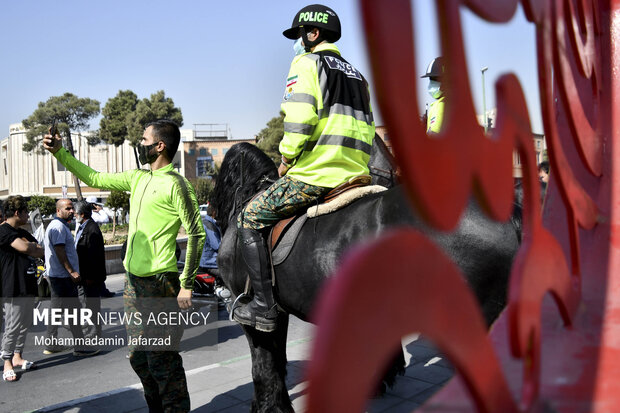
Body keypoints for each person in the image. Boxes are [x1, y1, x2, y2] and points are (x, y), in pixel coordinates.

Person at [43, 119, 205, 413]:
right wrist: (60, 153)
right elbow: (95, 176)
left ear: (160, 146)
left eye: (144, 140)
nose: (139, 144)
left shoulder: (178, 185)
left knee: (162, 361)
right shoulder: (138, 178)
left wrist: (187, 284)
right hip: (133, 283)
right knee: (138, 358)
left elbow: (196, 234)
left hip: (161, 284)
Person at [232, 4, 375, 332]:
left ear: (313, 34)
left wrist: (285, 161)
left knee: (248, 217)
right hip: (356, 175)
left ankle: (263, 307)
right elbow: (368, 129)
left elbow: (299, 120)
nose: (296, 42)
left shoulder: (306, 63)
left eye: (299, 35)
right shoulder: (358, 76)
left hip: (315, 176)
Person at [43, 199, 97, 356]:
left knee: (63, 312)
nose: (72, 211)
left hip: (60, 277)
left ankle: (52, 343)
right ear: (59, 211)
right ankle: (80, 347)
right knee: (71, 313)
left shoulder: (58, 226)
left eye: (72, 208)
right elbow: (60, 251)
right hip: (62, 278)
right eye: (68, 208)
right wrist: (71, 271)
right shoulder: (58, 227)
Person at [0, 196, 44, 381]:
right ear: (17, 212)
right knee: (12, 325)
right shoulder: (4, 231)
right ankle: (7, 362)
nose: (28, 215)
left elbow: (40, 249)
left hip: (27, 284)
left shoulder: (20, 231)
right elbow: (25, 248)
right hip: (12, 286)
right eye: (26, 212)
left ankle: (17, 356)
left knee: (25, 323)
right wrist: (30, 247)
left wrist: (31, 246)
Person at [74, 200, 106, 339]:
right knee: (86, 305)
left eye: (75, 213)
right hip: (84, 275)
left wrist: (90, 277)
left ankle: (94, 332)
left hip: (90, 277)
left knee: (92, 305)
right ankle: (88, 330)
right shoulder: (83, 227)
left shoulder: (91, 229)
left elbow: (94, 256)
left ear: (82, 214)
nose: (74, 215)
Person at [421, 56, 446, 134]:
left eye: (434, 79)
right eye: (430, 79)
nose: (431, 84)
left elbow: (433, 140)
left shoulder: (441, 106)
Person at [198, 205, 221, 276]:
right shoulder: (210, 225)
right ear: (214, 212)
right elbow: (217, 246)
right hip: (209, 263)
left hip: (205, 261)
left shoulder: (205, 222)